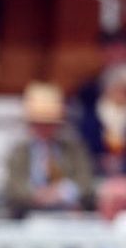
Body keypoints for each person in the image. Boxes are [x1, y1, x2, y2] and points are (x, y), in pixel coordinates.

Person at [6, 83, 95, 219]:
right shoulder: (20, 151)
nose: (44, 128)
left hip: (68, 214)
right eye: (39, 123)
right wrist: (38, 195)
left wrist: (63, 192)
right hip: (29, 214)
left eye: (49, 124)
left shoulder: (73, 150)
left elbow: (86, 183)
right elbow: (14, 186)